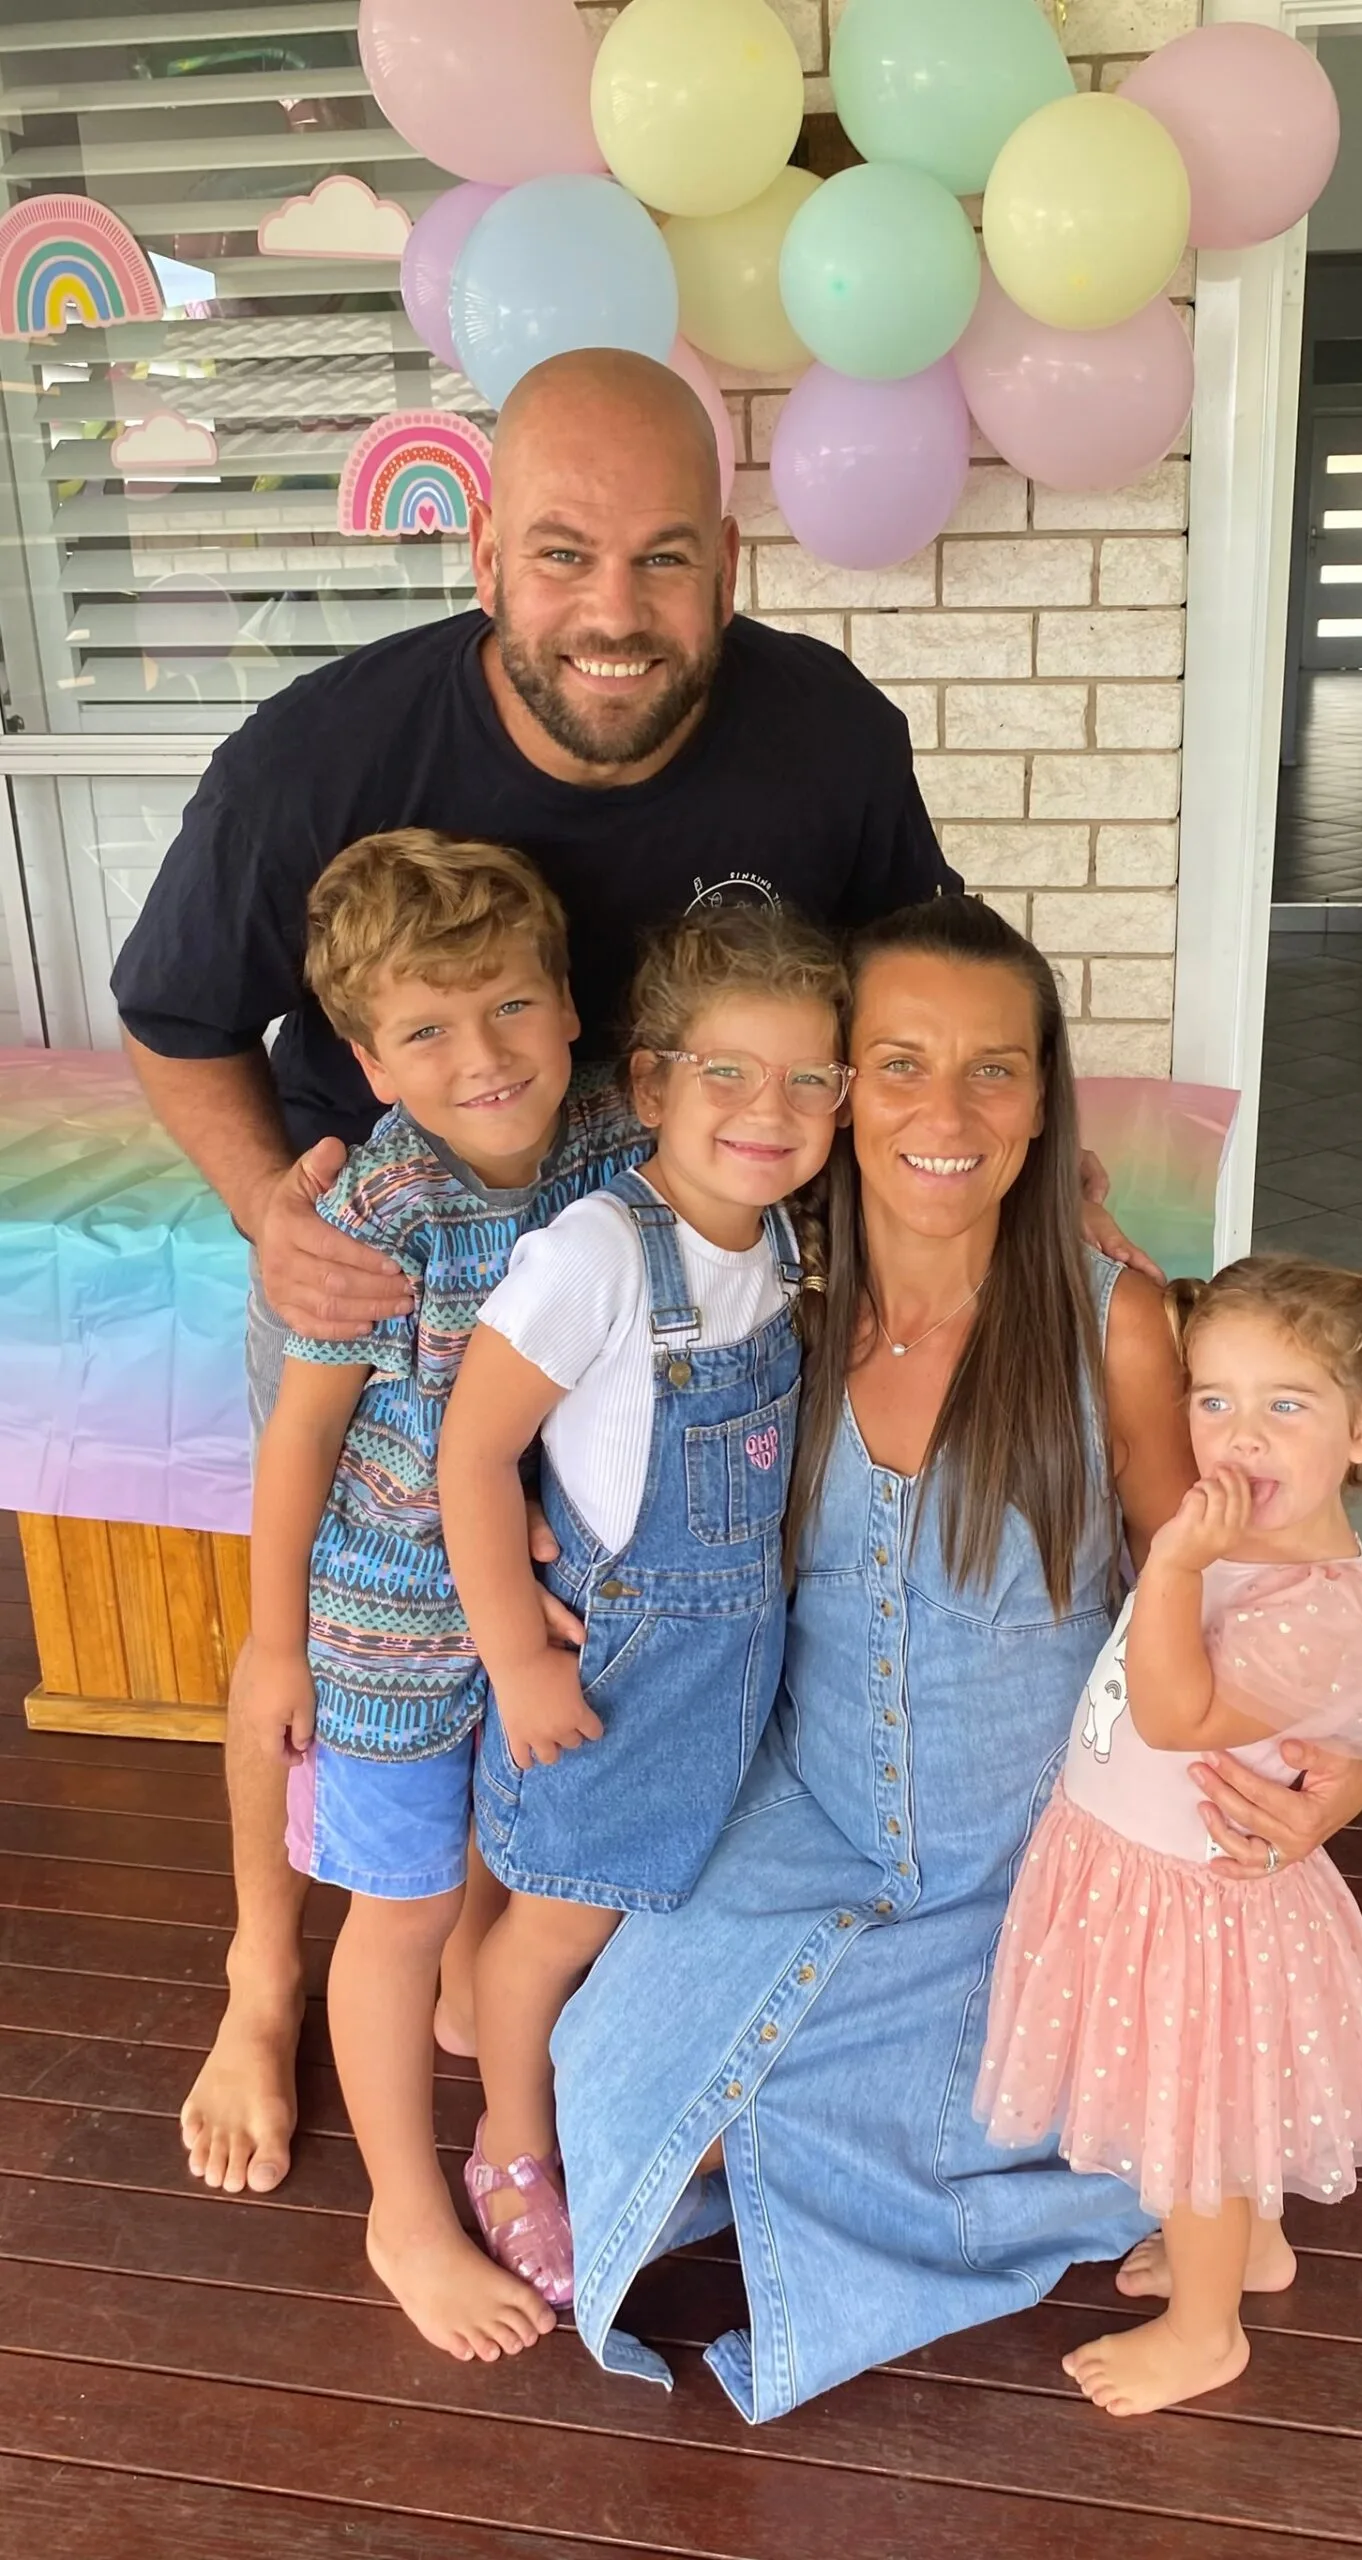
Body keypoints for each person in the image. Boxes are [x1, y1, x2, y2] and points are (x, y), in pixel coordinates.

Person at [109, 346, 965, 2200]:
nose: (613, 610)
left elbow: (923, 978)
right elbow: (174, 1015)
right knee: (332, 1656)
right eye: (564, 553)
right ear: (485, 551)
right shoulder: (320, 757)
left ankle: (468, 1964)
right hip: (383, 1305)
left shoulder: (827, 733)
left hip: (646, 1292)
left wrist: (1002, 1175)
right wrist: (272, 1215)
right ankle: (265, 1976)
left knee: (556, 1651)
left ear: (727, 565)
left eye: (664, 559)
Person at [546, 895, 1362, 2423]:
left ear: (1043, 1101)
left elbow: (1231, 1582)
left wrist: (1337, 1769)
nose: (948, 1113)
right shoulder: (773, 1300)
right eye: (901, 1064)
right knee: (617, 2072)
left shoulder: (1113, 1326)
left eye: (995, 1070)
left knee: (817, 2126)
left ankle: (1179, 2172)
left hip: (1031, 1861)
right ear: (839, 1089)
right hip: (808, 1813)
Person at [239, 828, 648, 2361]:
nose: (484, 1058)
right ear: (368, 1062)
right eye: (427, 1031)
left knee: (523, 1850)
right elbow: (302, 1437)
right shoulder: (382, 1212)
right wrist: (275, 1646)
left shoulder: (617, 1135)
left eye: (511, 1006)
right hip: (391, 1625)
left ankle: (499, 2067)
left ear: (568, 1002)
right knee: (400, 1909)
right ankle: (405, 2212)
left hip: (553, 1595)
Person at [439, 907, 849, 2307]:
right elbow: (473, 1453)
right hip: (612, 1677)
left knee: (639, 1919)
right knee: (554, 1930)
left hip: (730, 1672)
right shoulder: (600, 1254)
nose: (768, 1110)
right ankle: (510, 2150)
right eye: (727, 1073)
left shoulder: (782, 1241)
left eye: (807, 1079)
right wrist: (517, 1661)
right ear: (653, 1084)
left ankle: (613, 2097)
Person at [976, 1254, 1362, 2418]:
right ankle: (1252, 2249)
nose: (1241, 1435)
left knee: (1194, 2127)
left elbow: (1173, 1714)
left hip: (1198, 1912)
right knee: (1213, 2119)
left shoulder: (1319, 1604)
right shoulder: (1239, 1536)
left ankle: (1203, 2332)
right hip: (1144, 1877)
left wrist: (1176, 1560)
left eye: (1287, 1404)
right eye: (1214, 1399)